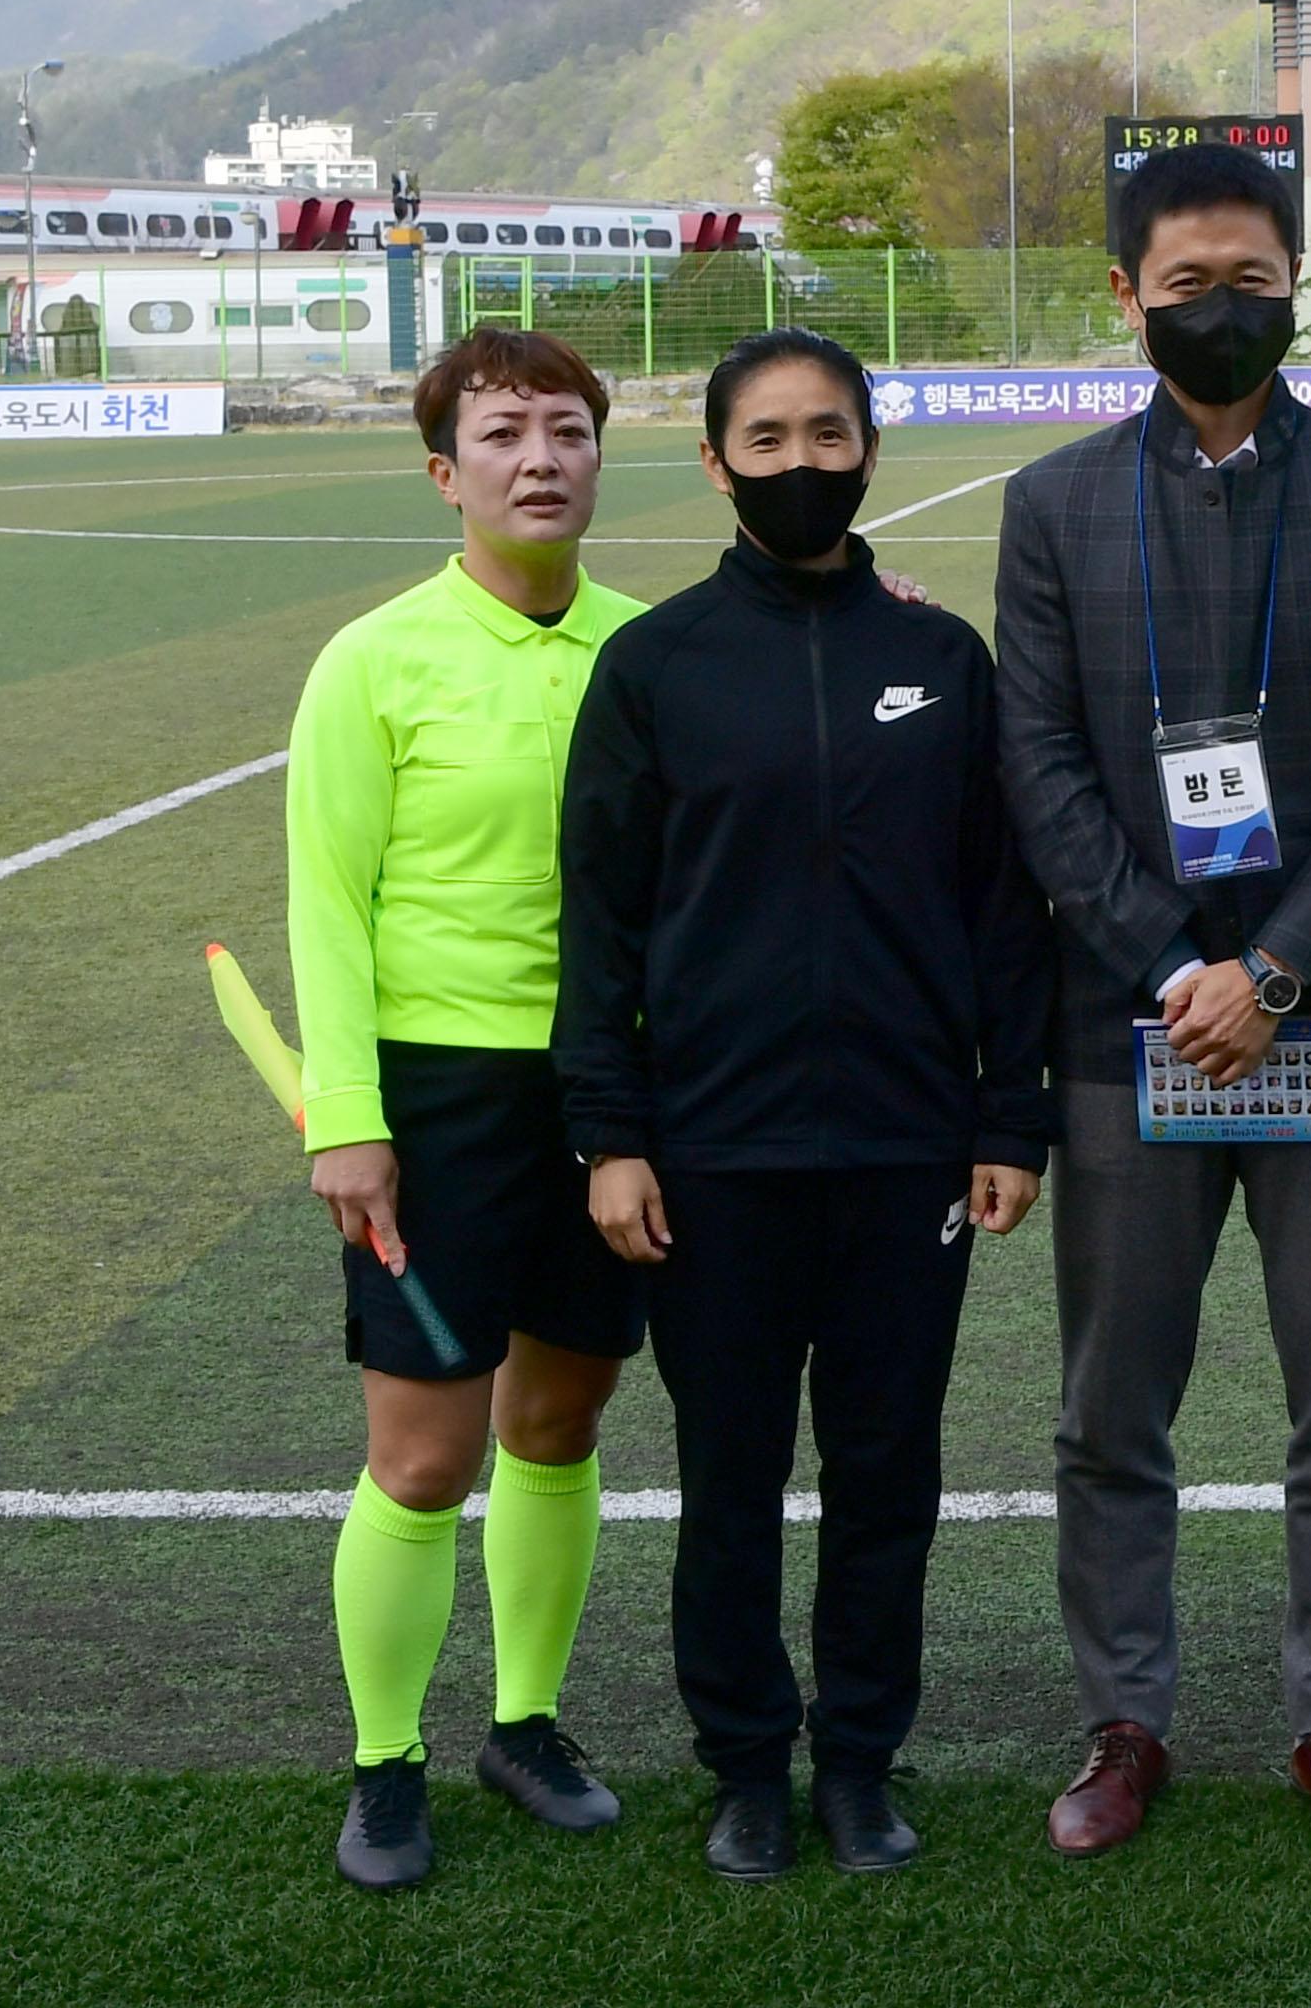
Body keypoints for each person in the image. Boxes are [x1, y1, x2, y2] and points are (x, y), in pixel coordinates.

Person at [993, 142, 1311, 1856]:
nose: (1218, 309)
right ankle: (1126, 1719)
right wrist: (1174, 971)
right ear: (1125, 298)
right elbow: (1036, 768)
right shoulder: (1050, 507)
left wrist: (1272, 974)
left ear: (1294, 287)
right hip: (1128, 1036)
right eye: (1182, 285)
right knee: (1115, 1401)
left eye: (1248, 280)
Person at [555, 328, 1053, 1884]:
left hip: (909, 1147)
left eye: (826, 435)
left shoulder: (940, 657)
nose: (799, 465)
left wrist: (1006, 1118)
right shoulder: (655, 664)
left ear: (868, 450)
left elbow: (1002, 904)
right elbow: (602, 920)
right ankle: (745, 1766)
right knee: (731, 1477)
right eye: (763, 441)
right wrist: (613, 1133)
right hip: (715, 1156)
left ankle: (859, 1759)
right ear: (714, 464)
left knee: (888, 1470)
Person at [286, 326, 651, 1891]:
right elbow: (327, 900)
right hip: (435, 1103)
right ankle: (384, 1758)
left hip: (612, 1092)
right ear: (445, 473)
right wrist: (346, 1119)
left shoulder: (652, 650)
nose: (540, 459)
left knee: (559, 1423)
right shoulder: (372, 660)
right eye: (503, 435)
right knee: (425, 1458)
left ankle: (527, 1720)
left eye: (566, 430)